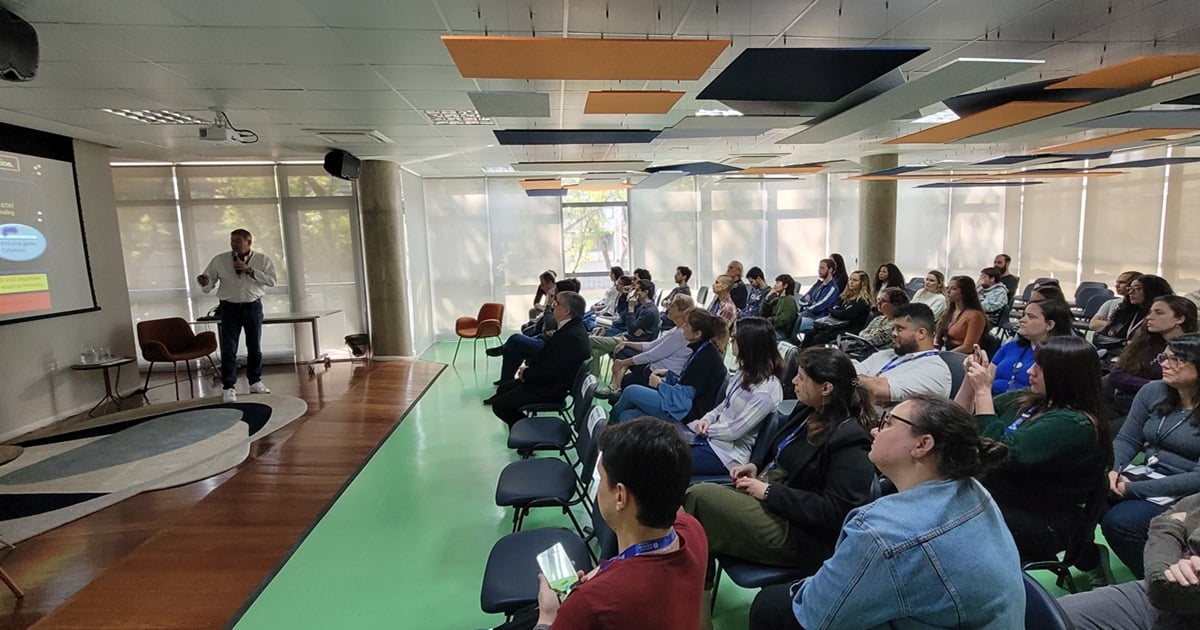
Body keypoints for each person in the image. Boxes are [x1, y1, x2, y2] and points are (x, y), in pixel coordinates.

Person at [748, 395, 1024, 630]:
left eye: (888, 422)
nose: (875, 431)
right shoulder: (972, 488)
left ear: (922, 445)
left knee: (769, 606)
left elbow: (818, 615)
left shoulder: (884, 533)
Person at [684, 347, 875, 579]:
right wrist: (755, 466)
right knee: (699, 518)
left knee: (699, 497)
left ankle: (687, 591)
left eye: (802, 378)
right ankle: (692, 589)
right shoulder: (808, 409)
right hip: (774, 501)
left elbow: (834, 511)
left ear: (826, 388)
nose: (793, 381)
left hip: (797, 530)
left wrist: (768, 492)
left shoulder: (850, 440)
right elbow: (780, 450)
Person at [530, 418, 708, 630]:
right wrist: (604, 572)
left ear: (620, 496)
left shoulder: (591, 604)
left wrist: (547, 618)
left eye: (601, 478)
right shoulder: (694, 531)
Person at [955, 336, 1111, 562]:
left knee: (946, 511)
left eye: (1040, 367)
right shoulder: (1028, 400)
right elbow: (957, 420)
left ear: (1065, 375)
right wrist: (971, 383)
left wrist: (983, 392)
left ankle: (1091, 557)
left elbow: (998, 453)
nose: (1030, 371)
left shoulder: (1075, 424)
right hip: (1000, 494)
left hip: (1037, 515)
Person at [1103, 333, 1200, 579]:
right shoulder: (1153, 391)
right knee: (1086, 492)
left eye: (1176, 360)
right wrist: (1112, 470)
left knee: (1121, 523)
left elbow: (1197, 479)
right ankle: (1090, 561)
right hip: (1145, 476)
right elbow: (1127, 439)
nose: (1164, 364)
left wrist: (1134, 489)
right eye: (1164, 357)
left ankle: (1160, 583)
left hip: (1186, 492)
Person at [1059, 490, 1200, 630]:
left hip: (1181, 596)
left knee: (1120, 520)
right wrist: (1162, 571)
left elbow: (1167, 522)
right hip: (1163, 588)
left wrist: (1170, 526)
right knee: (1054, 615)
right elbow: (1166, 518)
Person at [679, 318, 784, 474]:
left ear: (748, 345)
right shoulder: (744, 373)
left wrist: (701, 429)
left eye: (735, 339)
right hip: (711, 441)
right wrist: (706, 419)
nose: (730, 341)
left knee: (668, 461)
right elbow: (724, 405)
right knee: (658, 449)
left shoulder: (767, 390)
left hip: (728, 456)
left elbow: (734, 431)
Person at [197, 228, 278, 403]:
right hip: (229, 308)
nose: (233, 244)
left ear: (249, 242)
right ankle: (228, 387)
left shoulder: (262, 260)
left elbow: (272, 281)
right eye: (232, 241)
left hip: (253, 307)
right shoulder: (220, 260)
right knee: (228, 348)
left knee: (254, 346)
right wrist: (204, 281)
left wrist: (250, 270)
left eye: (238, 241)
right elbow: (208, 282)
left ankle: (255, 382)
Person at [487, 291, 590, 427]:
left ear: (566, 311)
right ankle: (522, 430)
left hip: (551, 389)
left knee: (499, 405)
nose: (553, 305)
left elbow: (550, 371)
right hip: (551, 382)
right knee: (502, 390)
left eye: (556, 303)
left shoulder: (569, 337)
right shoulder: (572, 329)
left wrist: (526, 374)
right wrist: (528, 370)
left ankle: (526, 432)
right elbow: (550, 360)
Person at [608, 310, 728, 425]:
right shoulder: (704, 350)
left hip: (685, 413)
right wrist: (669, 374)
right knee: (627, 415)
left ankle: (607, 426)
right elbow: (690, 383)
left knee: (631, 391)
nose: (683, 328)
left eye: (687, 326)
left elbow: (684, 398)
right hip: (684, 406)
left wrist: (660, 385)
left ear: (697, 334)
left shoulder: (704, 359)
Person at [1105, 296, 1198, 416]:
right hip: (1126, 404)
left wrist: (1140, 384)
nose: (1149, 317)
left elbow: (1179, 387)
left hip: (1163, 410)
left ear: (1179, 319)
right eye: (1150, 312)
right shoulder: (1144, 344)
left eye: (1159, 313)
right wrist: (1152, 385)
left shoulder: (1193, 350)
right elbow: (1116, 376)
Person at [598, 295, 694, 400]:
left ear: (682, 311)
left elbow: (652, 354)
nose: (668, 308)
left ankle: (615, 387)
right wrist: (627, 343)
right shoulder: (675, 329)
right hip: (651, 367)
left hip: (657, 375)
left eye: (672, 306)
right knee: (623, 351)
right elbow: (651, 345)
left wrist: (623, 362)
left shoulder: (680, 334)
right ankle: (615, 386)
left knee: (621, 363)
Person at [855, 303, 952, 407]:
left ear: (921, 333)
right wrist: (865, 383)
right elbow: (850, 371)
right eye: (893, 329)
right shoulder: (886, 354)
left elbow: (877, 390)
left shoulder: (935, 370)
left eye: (900, 329)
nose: (893, 334)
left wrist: (860, 382)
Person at [990, 299, 1074, 395]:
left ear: (1050, 325)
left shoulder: (1059, 357)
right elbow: (987, 381)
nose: (1022, 320)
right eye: (1024, 315)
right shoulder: (1010, 347)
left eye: (1030, 317)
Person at [588, 279, 659, 380]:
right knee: (594, 352)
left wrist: (631, 308)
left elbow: (632, 328)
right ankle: (593, 381)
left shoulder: (649, 311)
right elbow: (623, 315)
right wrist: (625, 297)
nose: (634, 292)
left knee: (590, 340)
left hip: (629, 340)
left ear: (645, 292)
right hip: (625, 336)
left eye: (637, 290)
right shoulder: (642, 306)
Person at [801, 270, 873, 348]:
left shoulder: (863, 301)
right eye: (850, 279)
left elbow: (844, 314)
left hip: (850, 329)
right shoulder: (845, 296)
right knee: (809, 334)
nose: (851, 282)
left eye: (855, 280)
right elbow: (834, 307)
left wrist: (834, 311)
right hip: (836, 324)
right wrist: (835, 311)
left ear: (862, 283)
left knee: (819, 338)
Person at [1100, 274, 1174, 342]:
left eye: (1137, 289)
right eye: (1130, 289)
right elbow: (1098, 336)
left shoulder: (1161, 316)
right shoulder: (1125, 310)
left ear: (1151, 291)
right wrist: (1123, 343)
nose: (1131, 292)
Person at [937, 275, 988, 353]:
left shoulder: (975, 316)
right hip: (946, 350)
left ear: (964, 292)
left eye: (953, 289)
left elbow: (968, 347)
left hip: (962, 356)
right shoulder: (949, 311)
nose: (948, 291)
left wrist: (945, 356)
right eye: (947, 288)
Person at [796, 259, 840, 335]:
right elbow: (801, 300)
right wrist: (811, 303)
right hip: (807, 314)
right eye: (819, 268)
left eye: (822, 268)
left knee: (797, 322)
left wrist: (809, 303)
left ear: (830, 270)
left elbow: (819, 306)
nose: (819, 271)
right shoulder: (818, 284)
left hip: (818, 318)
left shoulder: (832, 289)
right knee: (790, 319)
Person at [761, 274, 799, 341]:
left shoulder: (789, 300)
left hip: (781, 333)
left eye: (778, 283)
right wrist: (767, 298)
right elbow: (763, 313)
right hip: (772, 329)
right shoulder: (777, 299)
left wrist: (770, 320)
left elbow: (785, 319)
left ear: (785, 285)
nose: (775, 285)